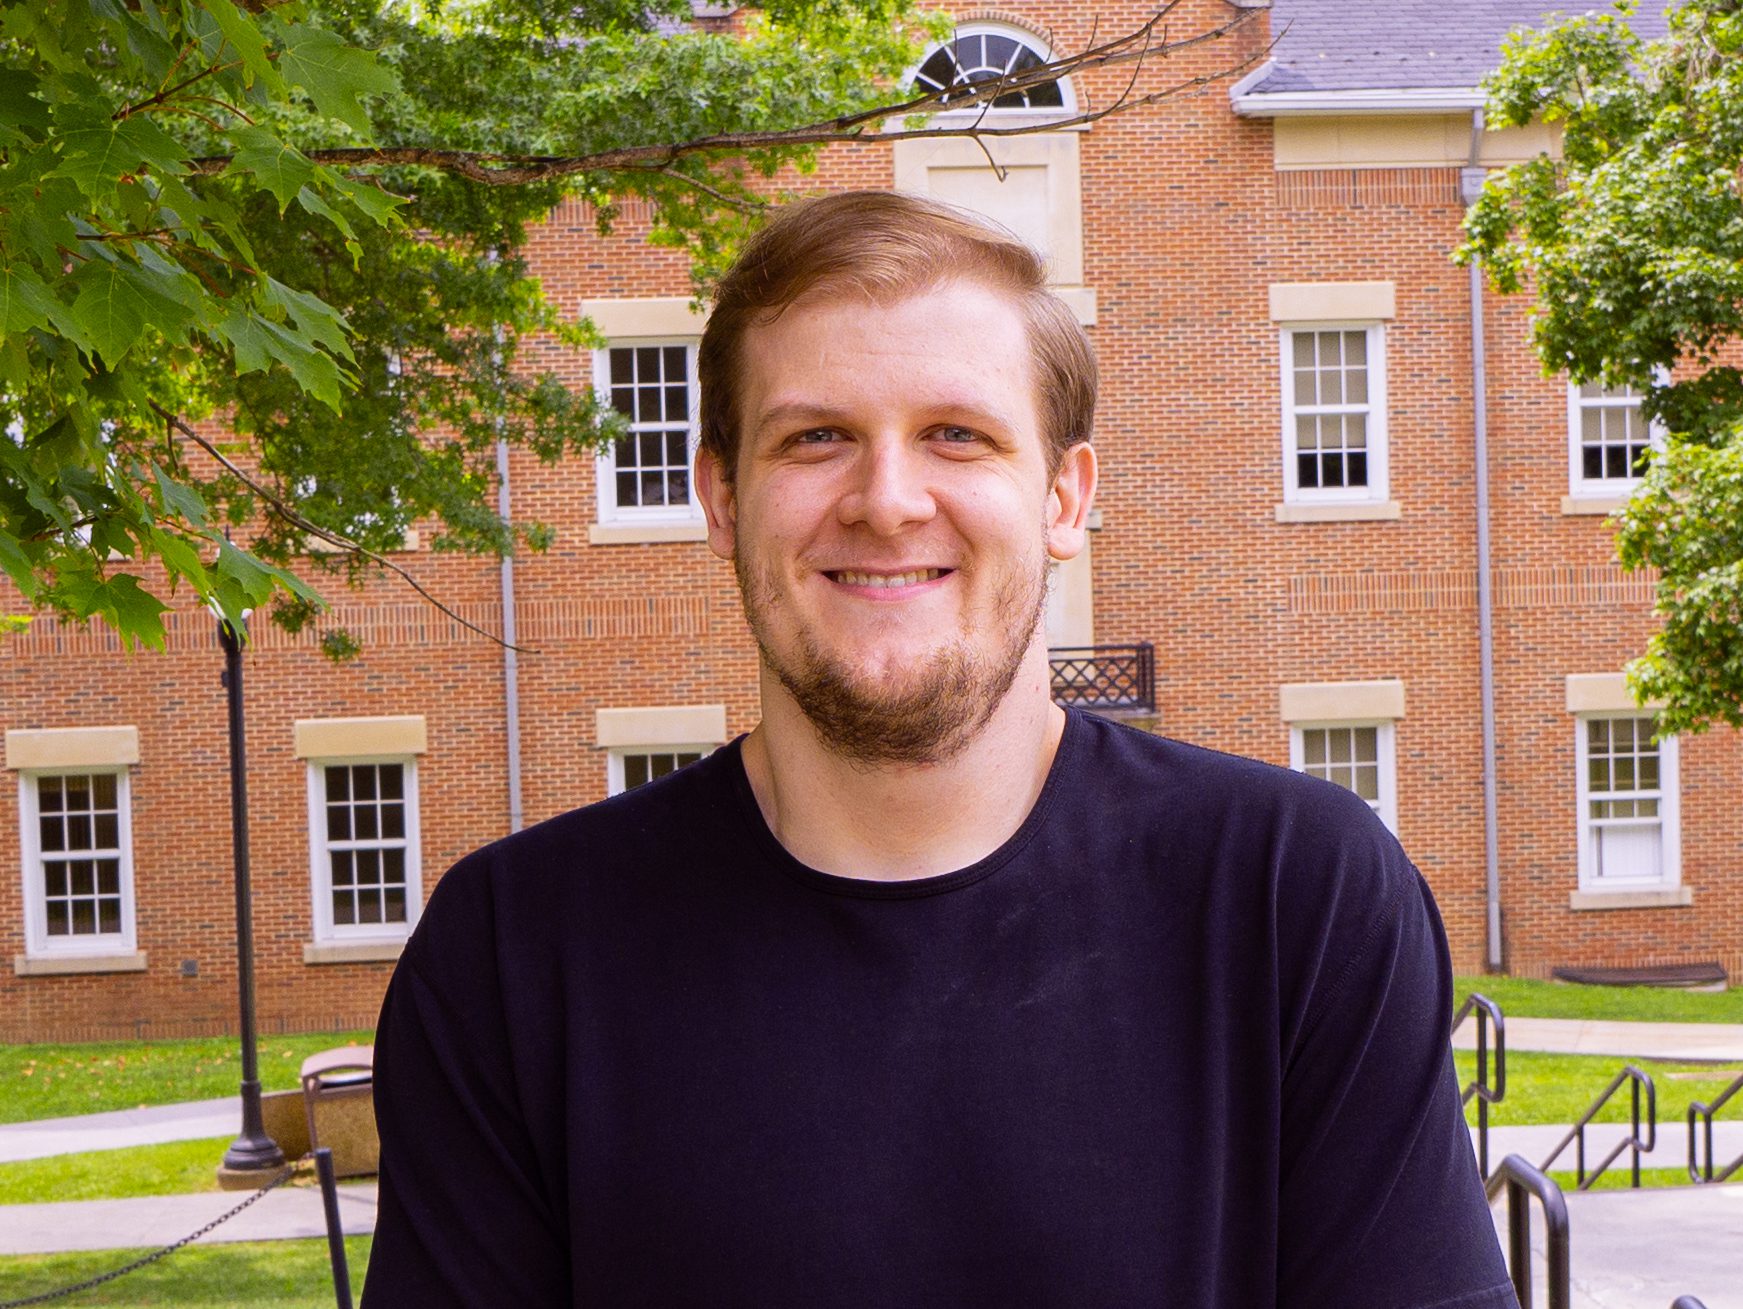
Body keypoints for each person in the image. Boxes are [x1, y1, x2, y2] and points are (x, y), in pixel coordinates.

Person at [362, 191, 1513, 1306]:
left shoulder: (1293, 898)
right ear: (719, 496)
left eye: (956, 435)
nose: (888, 499)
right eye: (817, 438)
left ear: (1065, 495)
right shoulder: (514, 958)